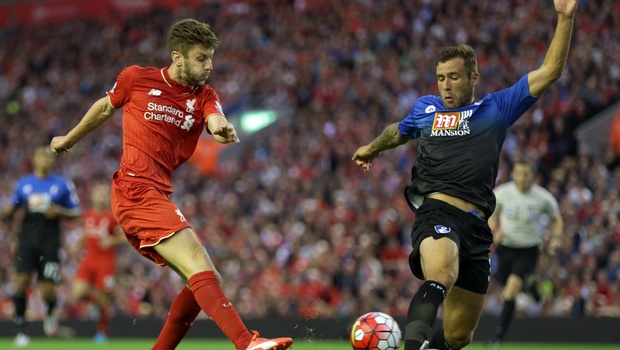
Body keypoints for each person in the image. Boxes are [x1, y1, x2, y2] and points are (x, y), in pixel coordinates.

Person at [50, 18, 293, 350]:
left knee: (205, 281)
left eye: (210, 58)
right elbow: (105, 108)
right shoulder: (137, 78)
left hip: (155, 194)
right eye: (201, 58)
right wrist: (69, 138)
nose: (209, 66)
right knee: (197, 262)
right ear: (177, 57)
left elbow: (215, 117)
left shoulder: (205, 95)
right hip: (135, 189)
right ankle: (245, 342)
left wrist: (221, 129)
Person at [352, 1, 578, 349]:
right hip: (437, 211)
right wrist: (373, 147)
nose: (445, 85)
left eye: (454, 77)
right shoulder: (425, 108)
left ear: (473, 78)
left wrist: (565, 17)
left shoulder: (496, 108)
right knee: (441, 274)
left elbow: (550, 71)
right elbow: (397, 131)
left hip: (477, 226)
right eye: (441, 78)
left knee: (459, 335)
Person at [3, 146, 81, 347]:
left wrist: (60, 211)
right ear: (34, 159)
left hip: (50, 242)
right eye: (42, 156)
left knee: (48, 290)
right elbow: (11, 210)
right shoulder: (24, 184)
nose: (46, 159)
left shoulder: (62, 184)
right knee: (20, 282)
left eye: (49, 157)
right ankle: (21, 329)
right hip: (27, 241)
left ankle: (50, 311)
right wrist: (8, 211)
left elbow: (76, 212)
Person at [486, 159, 563, 347]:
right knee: (506, 286)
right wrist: (495, 231)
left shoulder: (543, 198)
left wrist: (555, 237)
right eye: (519, 173)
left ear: (533, 175)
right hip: (505, 249)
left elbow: (556, 219)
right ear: (513, 174)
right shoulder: (503, 193)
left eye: (526, 174)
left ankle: (498, 337)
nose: (522, 178)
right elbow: (490, 215)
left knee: (510, 291)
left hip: (528, 250)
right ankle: (530, 286)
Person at [72, 183, 125, 343]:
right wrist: (78, 245)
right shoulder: (88, 215)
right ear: (93, 197)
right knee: (78, 293)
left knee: (104, 298)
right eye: (99, 194)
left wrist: (112, 240)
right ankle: (98, 306)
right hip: (88, 260)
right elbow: (86, 233)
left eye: (104, 194)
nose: (101, 197)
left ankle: (102, 332)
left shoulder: (112, 217)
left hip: (106, 262)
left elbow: (127, 237)